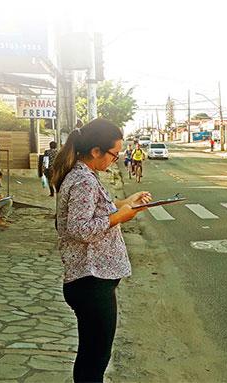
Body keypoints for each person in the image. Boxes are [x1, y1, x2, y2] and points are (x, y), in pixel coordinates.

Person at [51, 118, 152, 383]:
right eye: (113, 154)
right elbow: (80, 228)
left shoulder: (85, 176)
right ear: (96, 151)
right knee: (94, 360)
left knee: (91, 356)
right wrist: (121, 217)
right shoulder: (83, 179)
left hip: (92, 280)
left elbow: (98, 208)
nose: (115, 160)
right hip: (91, 280)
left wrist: (128, 203)